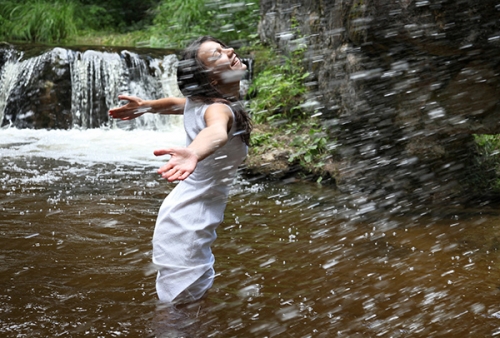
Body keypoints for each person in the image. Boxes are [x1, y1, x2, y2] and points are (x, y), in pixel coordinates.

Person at [108, 36, 252, 304]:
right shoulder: (219, 110)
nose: (230, 51)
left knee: (188, 305)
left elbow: (176, 103)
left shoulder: (202, 102)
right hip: (188, 223)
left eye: (224, 48)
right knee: (178, 312)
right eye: (217, 54)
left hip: (189, 218)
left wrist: (146, 106)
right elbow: (215, 132)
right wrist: (194, 152)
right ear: (211, 79)